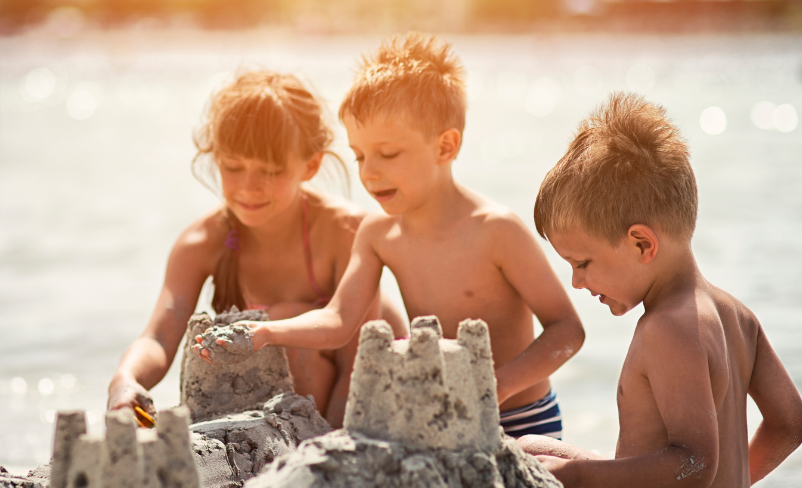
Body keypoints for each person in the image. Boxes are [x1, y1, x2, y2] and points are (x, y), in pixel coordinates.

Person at [196, 33, 585, 437]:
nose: (369, 173)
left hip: (521, 415)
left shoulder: (495, 230)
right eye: (360, 156)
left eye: (388, 153)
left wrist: (496, 387)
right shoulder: (378, 233)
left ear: (446, 146)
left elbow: (567, 330)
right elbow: (339, 320)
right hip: (440, 417)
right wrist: (266, 333)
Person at [519, 92, 802, 488]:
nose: (576, 283)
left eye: (582, 262)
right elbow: (790, 425)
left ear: (641, 243)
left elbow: (693, 463)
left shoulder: (669, 328)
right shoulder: (736, 313)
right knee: (530, 450)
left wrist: (587, 479)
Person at [107, 70, 406, 428]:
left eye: (271, 171)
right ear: (216, 158)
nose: (250, 187)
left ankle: (301, 439)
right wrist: (125, 380)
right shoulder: (202, 242)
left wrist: (335, 445)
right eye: (233, 167)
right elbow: (159, 336)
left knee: (286, 317)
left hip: (373, 380)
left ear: (310, 166)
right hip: (285, 396)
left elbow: (356, 362)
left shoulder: (346, 231)